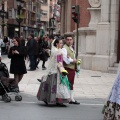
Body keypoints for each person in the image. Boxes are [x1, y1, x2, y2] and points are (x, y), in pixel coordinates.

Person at [37, 38, 70, 106]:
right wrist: (60, 67)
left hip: (59, 68)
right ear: (57, 44)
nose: (61, 44)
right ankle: (48, 99)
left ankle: (59, 100)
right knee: (53, 85)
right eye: (60, 43)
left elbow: (61, 60)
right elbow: (56, 61)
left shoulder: (59, 50)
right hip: (54, 70)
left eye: (62, 43)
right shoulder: (56, 51)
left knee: (60, 85)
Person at [62, 35, 80, 105]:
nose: (69, 41)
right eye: (68, 40)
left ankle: (71, 98)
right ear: (66, 41)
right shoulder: (65, 48)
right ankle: (68, 98)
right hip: (68, 68)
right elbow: (65, 60)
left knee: (71, 84)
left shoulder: (71, 48)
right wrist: (73, 60)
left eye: (71, 39)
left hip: (72, 68)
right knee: (68, 84)